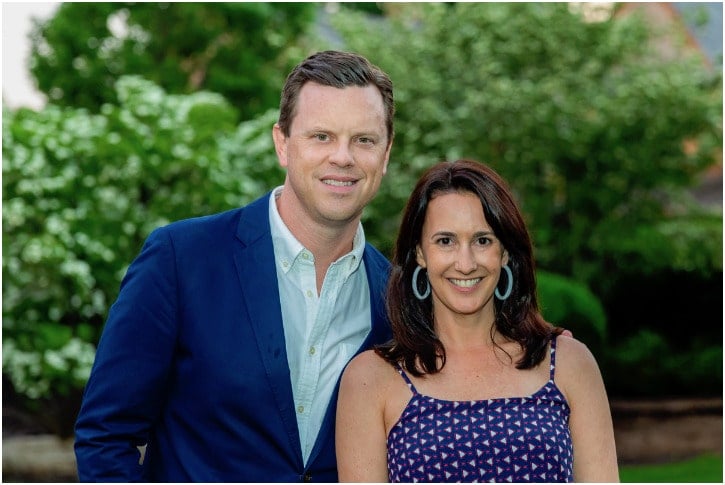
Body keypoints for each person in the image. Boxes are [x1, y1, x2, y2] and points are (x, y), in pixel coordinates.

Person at [74, 50, 395, 482]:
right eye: (321, 136)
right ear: (282, 143)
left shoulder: (396, 300)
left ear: (386, 154)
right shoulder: (180, 259)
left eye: (364, 140)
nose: (343, 157)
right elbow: (105, 437)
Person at [336, 159, 619, 483]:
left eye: (482, 240)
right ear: (420, 253)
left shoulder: (569, 363)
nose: (466, 263)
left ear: (505, 252)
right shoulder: (370, 380)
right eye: (445, 241)